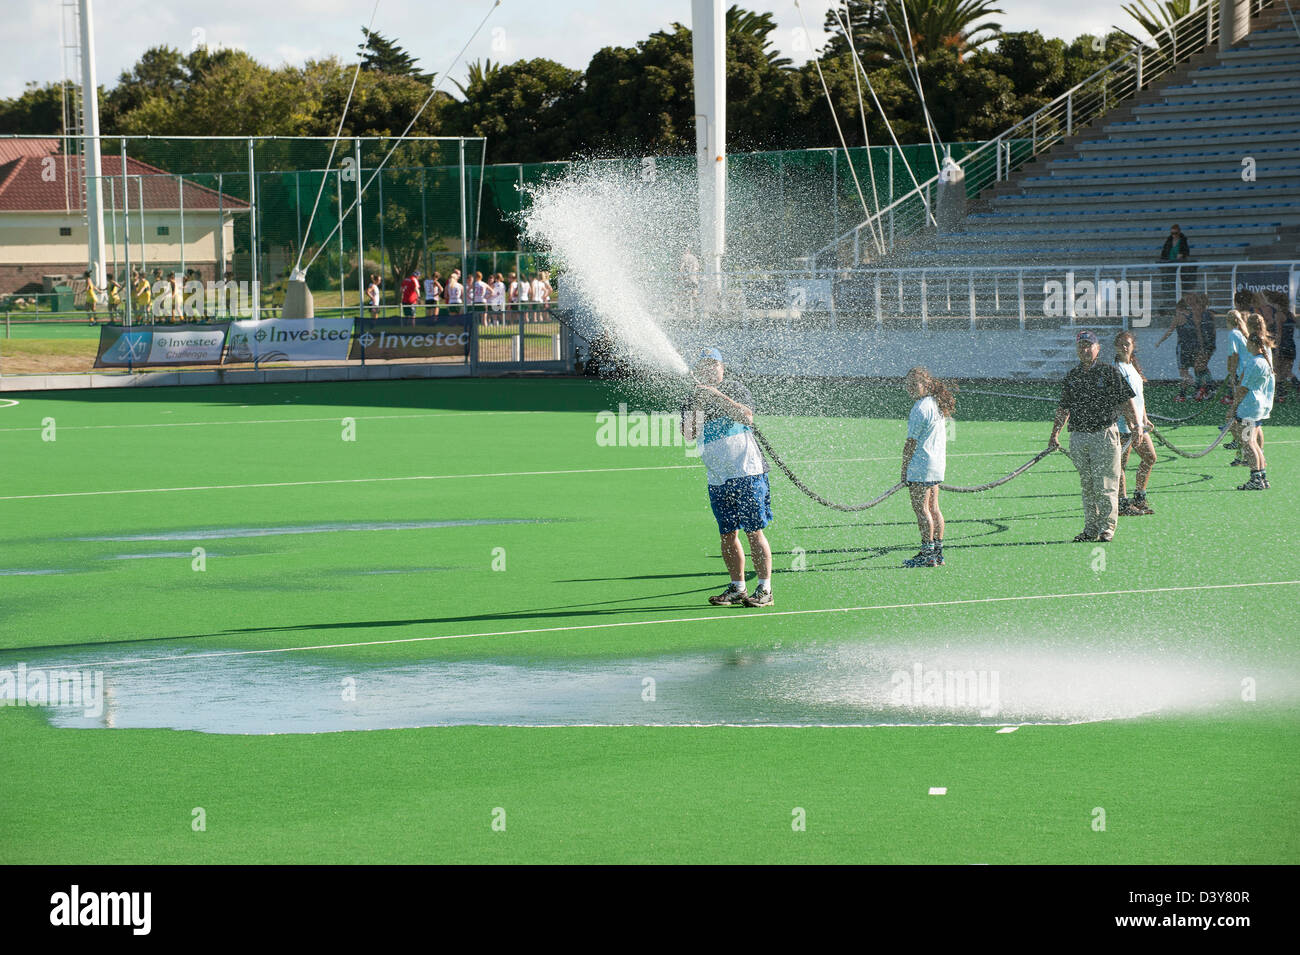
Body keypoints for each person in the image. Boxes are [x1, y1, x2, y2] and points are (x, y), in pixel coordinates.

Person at [680, 347, 774, 608]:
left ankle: (765, 589)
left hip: (747, 472)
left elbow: (746, 417)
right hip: (718, 477)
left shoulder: (734, 388)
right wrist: (700, 400)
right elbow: (688, 434)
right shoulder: (692, 398)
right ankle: (738, 587)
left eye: (714, 364)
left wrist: (717, 395)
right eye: (705, 365)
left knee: (754, 532)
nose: (710, 369)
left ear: (723, 368)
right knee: (727, 534)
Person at [1048, 330, 1142, 543]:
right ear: (1077, 350)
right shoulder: (1072, 376)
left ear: (1097, 349)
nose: (1085, 349)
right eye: (1081, 345)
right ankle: (1090, 528)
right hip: (1079, 436)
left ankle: (1107, 528)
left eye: (1089, 345)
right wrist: (1055, 434)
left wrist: (1136, 425)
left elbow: (1127, 400)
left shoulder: (1108, 372)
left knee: (1107, 483)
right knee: (1087, 485)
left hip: (1104, 434)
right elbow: (1063, 408)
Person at [899, 367, 955, 567]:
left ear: (926, 385)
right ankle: (938, 553)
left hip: (921, 466)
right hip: (936, 464)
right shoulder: (935, 404)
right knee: (934, 508)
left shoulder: (920, 408)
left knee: (922, 510)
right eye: (908, 385)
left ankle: (927, 554)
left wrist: (904, 469)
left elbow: (910, 443)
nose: (911, 389)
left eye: (915, 384)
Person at [1113, 332, 1157, 516]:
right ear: (1116, 346)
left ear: (1133, 346)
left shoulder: (1132, 367)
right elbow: (1121, 399)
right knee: (1121, 464)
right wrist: (1132, 424)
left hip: (1138, 424)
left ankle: (1139, 497)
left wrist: (1144, 418)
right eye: (1121, 344)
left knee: (1150, 458)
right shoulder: (1117, 369)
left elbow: (1139, 396)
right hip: (1125, 425)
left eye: (1128, 344)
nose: (1124, 347)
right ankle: (1123, 504)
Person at [1229, 327, 1276, 491]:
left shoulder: (1254, 362)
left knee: (1248, 443)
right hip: (1258, 406)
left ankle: (1256, 478)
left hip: (1248, 407)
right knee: (1253, 443)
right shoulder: (1264, 361)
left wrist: (1233, 407)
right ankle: (1262, 477)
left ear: (1252, 344)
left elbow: (1243, 388)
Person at [1154, 296, 1203, 401]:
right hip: (1195, 347)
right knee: (1194, 370)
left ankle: (1200, 387)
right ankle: (1182, 395)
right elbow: (1199, 332)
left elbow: (1169, 332)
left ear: (1179, 308)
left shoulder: (1179, 317)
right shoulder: (1193, 316)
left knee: (1183, 373)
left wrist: (1159, 342)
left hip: (1183, 348)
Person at [1223, 310, 1252, 464]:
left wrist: (1231, 374)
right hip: (1246, 375)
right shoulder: (1242, 333)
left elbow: (1233, 355)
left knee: (1234, 416)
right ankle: (1241, 453)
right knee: (1242, 417)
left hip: (1242, 377)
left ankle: (1244, 450)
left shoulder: (1233, 333)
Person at [1263, 289, 1297, 401]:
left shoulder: (1278, 315)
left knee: (1277, 370)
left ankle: (1281, 394)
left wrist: (1276, 349)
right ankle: (1296, 388)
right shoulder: (1291, 315)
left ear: (1277, 304)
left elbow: (1279, 334)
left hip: (1283, 346)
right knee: (1288, 372)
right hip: (1292, 346)